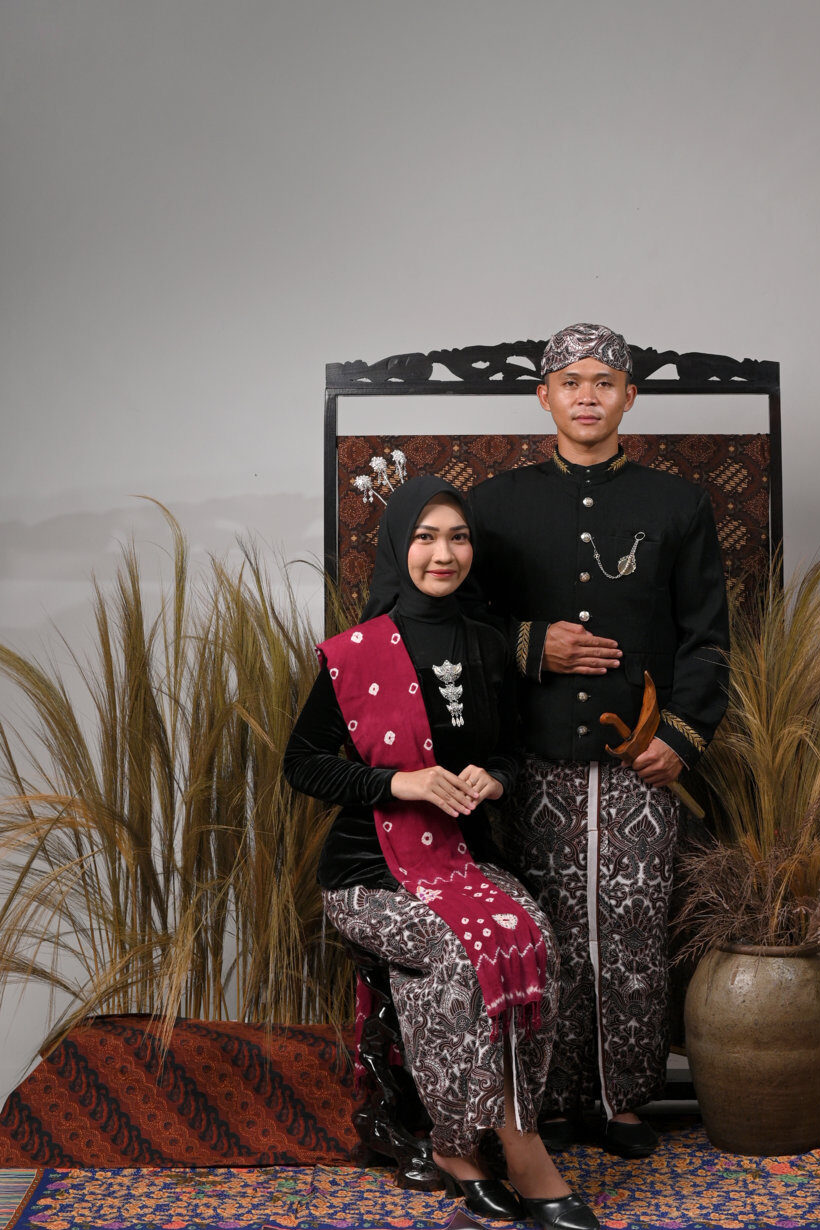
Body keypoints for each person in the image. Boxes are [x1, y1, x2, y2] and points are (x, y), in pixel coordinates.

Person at [283, 475, 600, 1230]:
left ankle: (502, 1130)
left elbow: (510, 752)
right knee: (460, 954)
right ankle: (473, 1147)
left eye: (458, 537)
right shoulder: (355, 654)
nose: (443, 553)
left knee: (533, 938)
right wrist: (401, 782)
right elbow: (302, 764)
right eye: (426, 537)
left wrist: (495, 778)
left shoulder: (487, 645)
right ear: (400, 545)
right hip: (368, 874)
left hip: (458, 862)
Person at [468, 324, 730, 1159]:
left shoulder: (677, 504)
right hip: (528, 757)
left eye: (605, 382)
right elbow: (453, 624)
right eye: (571, 381)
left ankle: (623, 1099)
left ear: (630, 398)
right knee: (539, 930)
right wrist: (529, 644)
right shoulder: (493, 506)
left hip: (639, 761)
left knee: (634, 931)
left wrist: (682, 738)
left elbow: (708, 638)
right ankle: (542, 1102)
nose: (587, 395)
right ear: (542, 396)